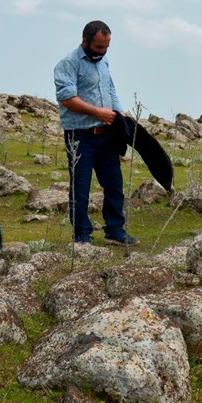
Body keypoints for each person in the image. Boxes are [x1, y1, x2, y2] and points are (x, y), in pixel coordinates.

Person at [53, 21, 138, 246]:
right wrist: (98, 112)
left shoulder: (104, 61)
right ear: (85, 41)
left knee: (114, 184)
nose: (103, 52)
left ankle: (115, 231)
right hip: (80, 136)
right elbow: (66, 98)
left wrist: (118, 112)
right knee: (80, 189)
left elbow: (110, 88)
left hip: (106, 135)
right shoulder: (68, 64)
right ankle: (82, 236)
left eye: (107, 47)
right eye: (99, 47)